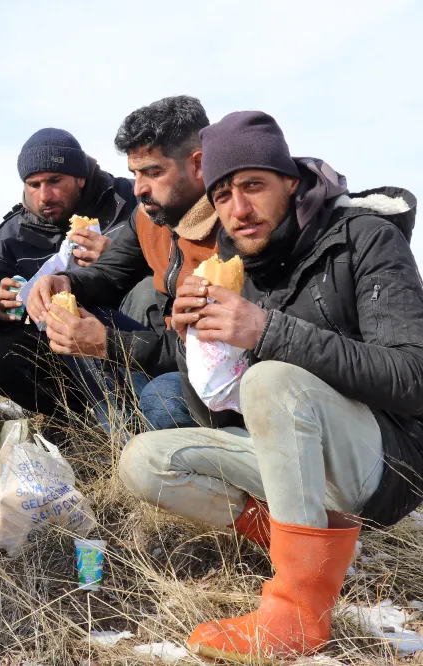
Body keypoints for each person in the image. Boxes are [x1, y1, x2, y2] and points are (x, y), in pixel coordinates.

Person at [118, 111, 423, 662]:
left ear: (291, 181)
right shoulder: (237, 266)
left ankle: (299, 613)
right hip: (298, 462)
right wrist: (196, 345)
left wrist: (267, 331)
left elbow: (413, 378)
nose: (238, 210)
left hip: (384, 463)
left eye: (253, 185)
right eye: (223, 194)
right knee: (144, 461)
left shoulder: (365, 239)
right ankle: (313, 548)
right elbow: (219, 416)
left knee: (272, 378)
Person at [26, 96, 215, 430]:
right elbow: (109, 272)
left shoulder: (236, 221)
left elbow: (206, 348)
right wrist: (67, 283)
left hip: (216, 367)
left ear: (198, 165)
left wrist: (106, 343)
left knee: (163, 401)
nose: (139, 188)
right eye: (134, 173)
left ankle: (154, 453)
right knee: (68, 312)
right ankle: (121, 439)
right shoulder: (149, 215)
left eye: (154, 172)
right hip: (168, 349)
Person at [0, 127, 149, 424]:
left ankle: (146, 408)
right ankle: (74, 420)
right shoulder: (12, 234)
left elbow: (171, 266)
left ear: (80, 177)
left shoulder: (130, 200)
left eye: (54, 181)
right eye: (33, 184)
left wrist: (118, 257)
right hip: (59, 349)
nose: (44, 195)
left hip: (130, 338)